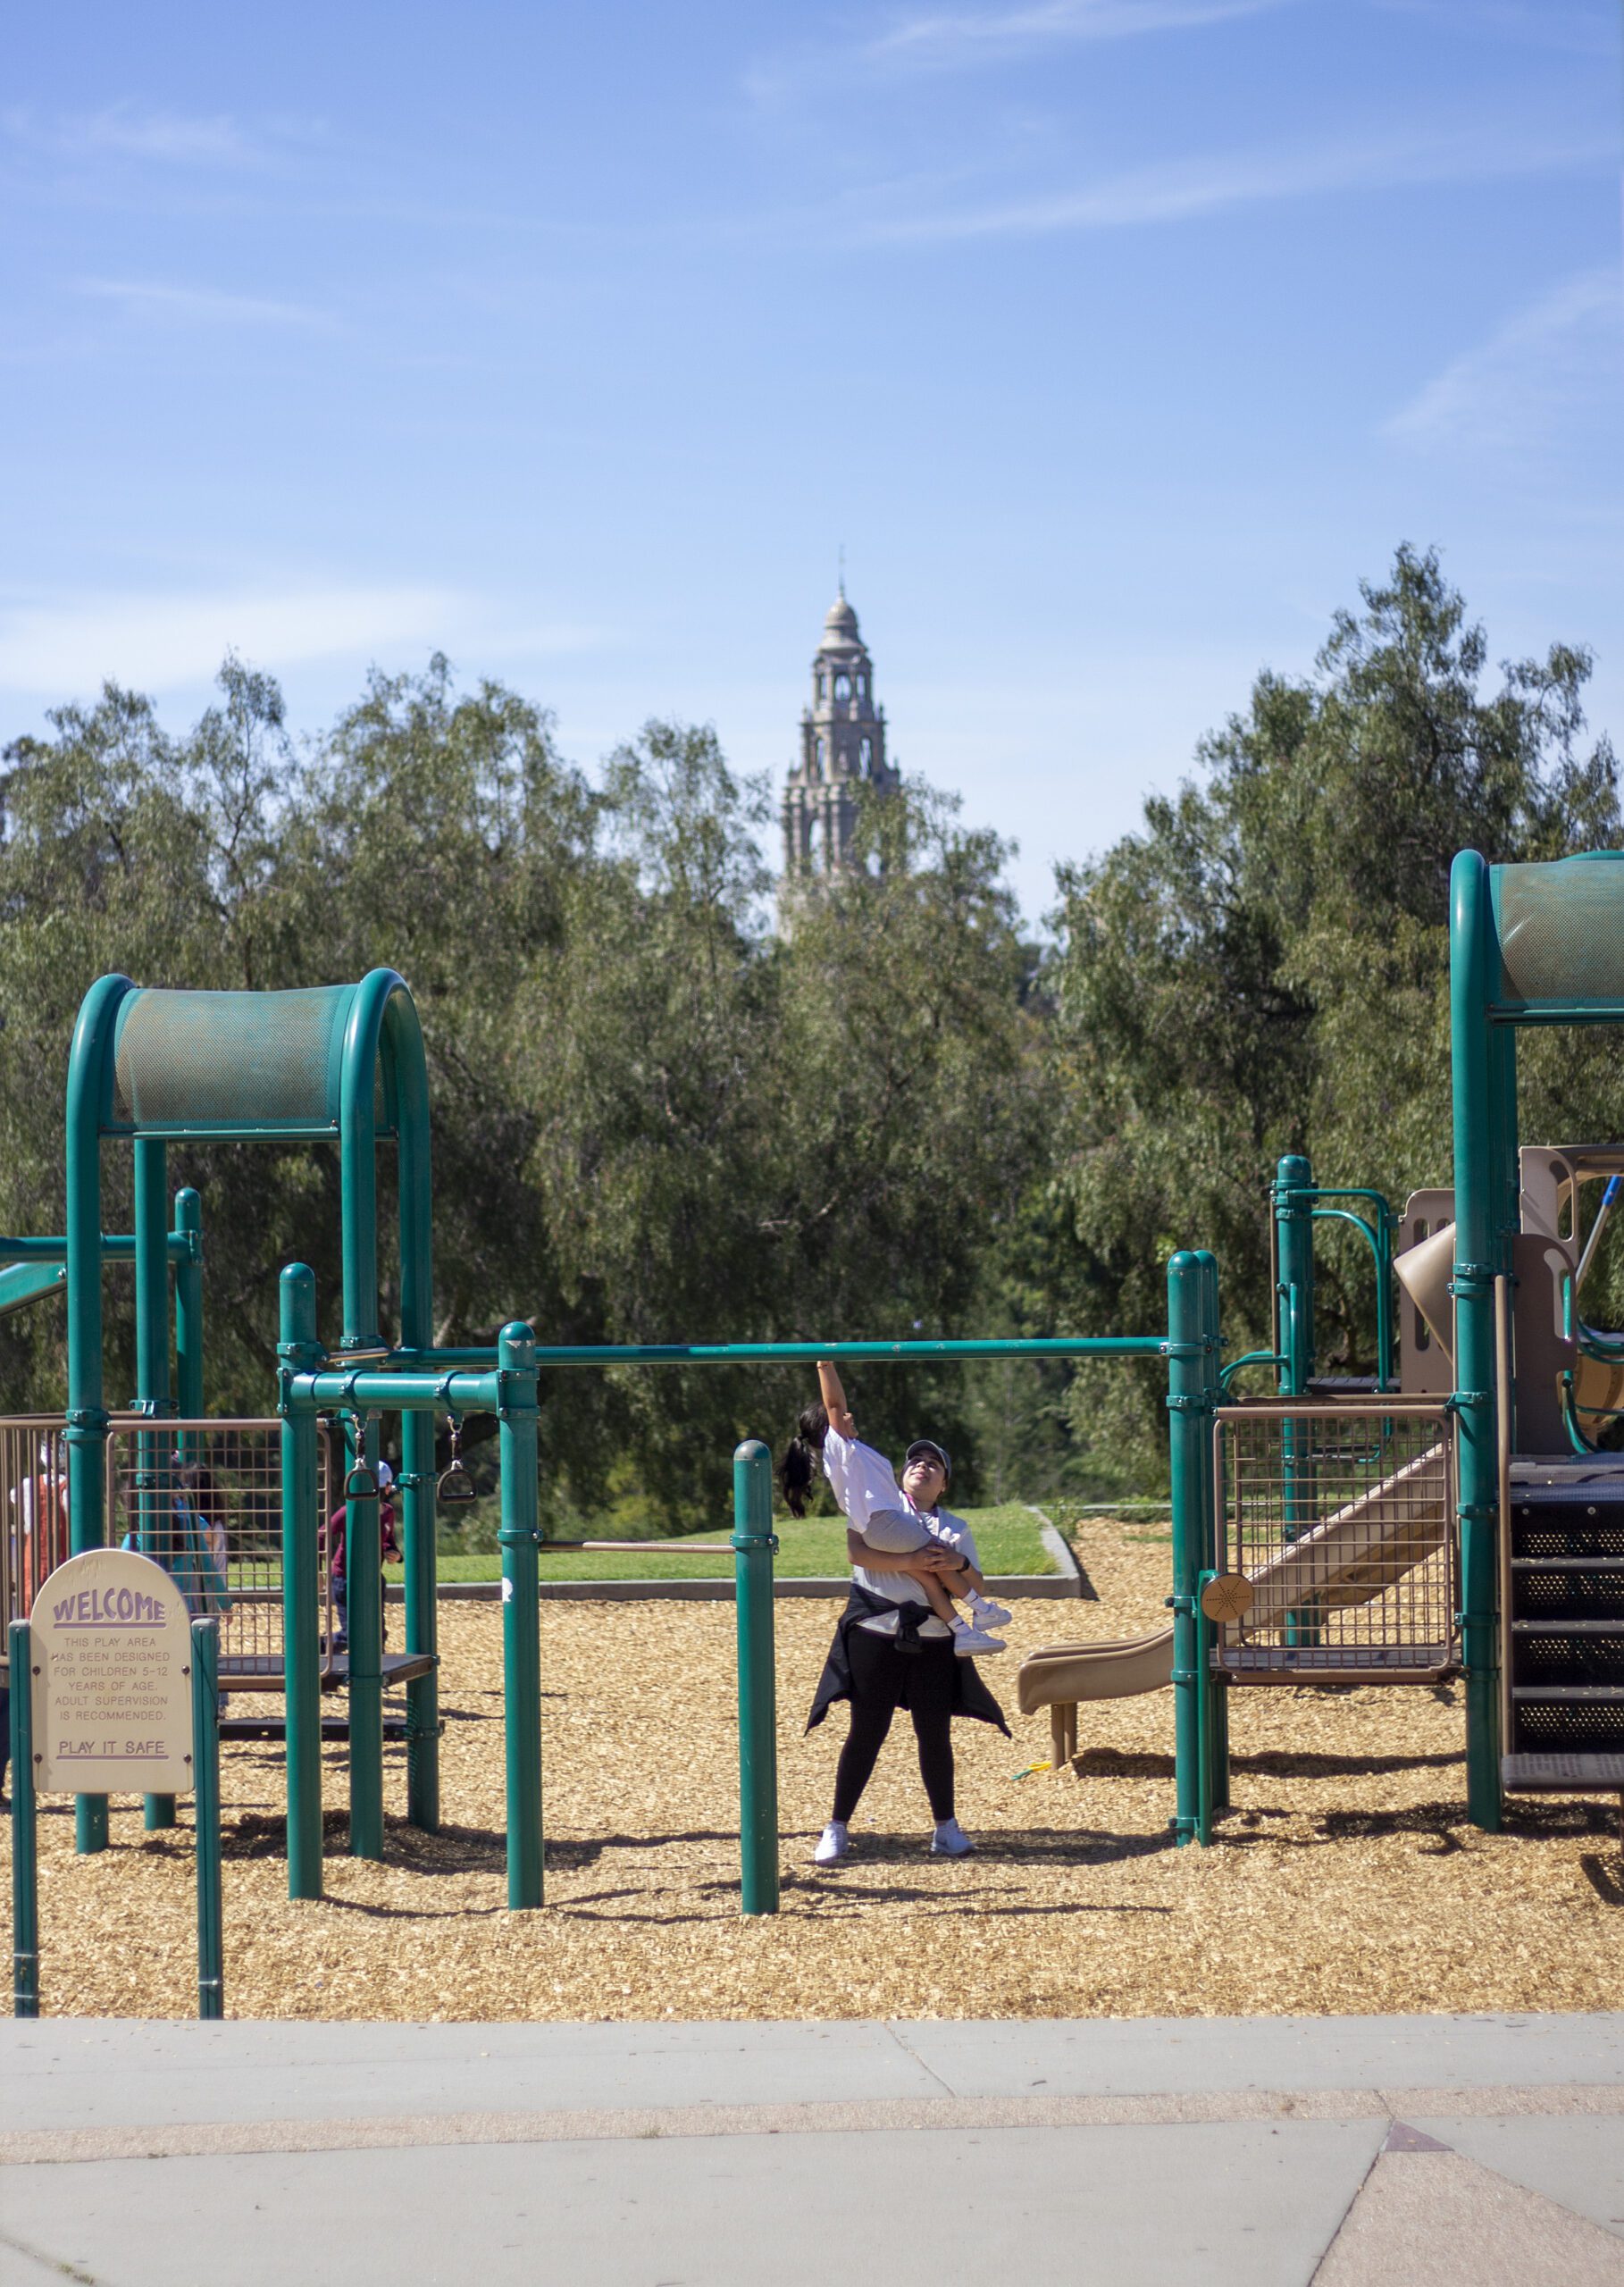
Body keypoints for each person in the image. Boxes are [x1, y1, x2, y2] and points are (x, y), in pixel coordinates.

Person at [789, 1360, 1010, 1866]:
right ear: (904, 1474)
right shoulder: (885, 1508)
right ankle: (837, 1826)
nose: (923, 1465)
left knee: (935, 1731)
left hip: (932, 1638)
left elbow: (974, 1576)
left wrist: (958, 1563)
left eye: (934, 1463)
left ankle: (946, 1827)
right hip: (876, 1629)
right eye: (917, 1460)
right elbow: (855, 1553)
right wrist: (911, 1561)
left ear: (945, 1484)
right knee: (867, 1728)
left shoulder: (954, 1527)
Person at [323, 1461, 399, 1653]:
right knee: (350, 1635)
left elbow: (387, 1539)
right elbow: (321, 1535)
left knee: (377, 1632)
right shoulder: (349, 1511)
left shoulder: (388, 1513)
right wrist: (319, 1569)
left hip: (373, 1577)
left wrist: (394, 1554)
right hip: (345, 1579)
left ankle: (378, 1676)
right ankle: (314, 1648)